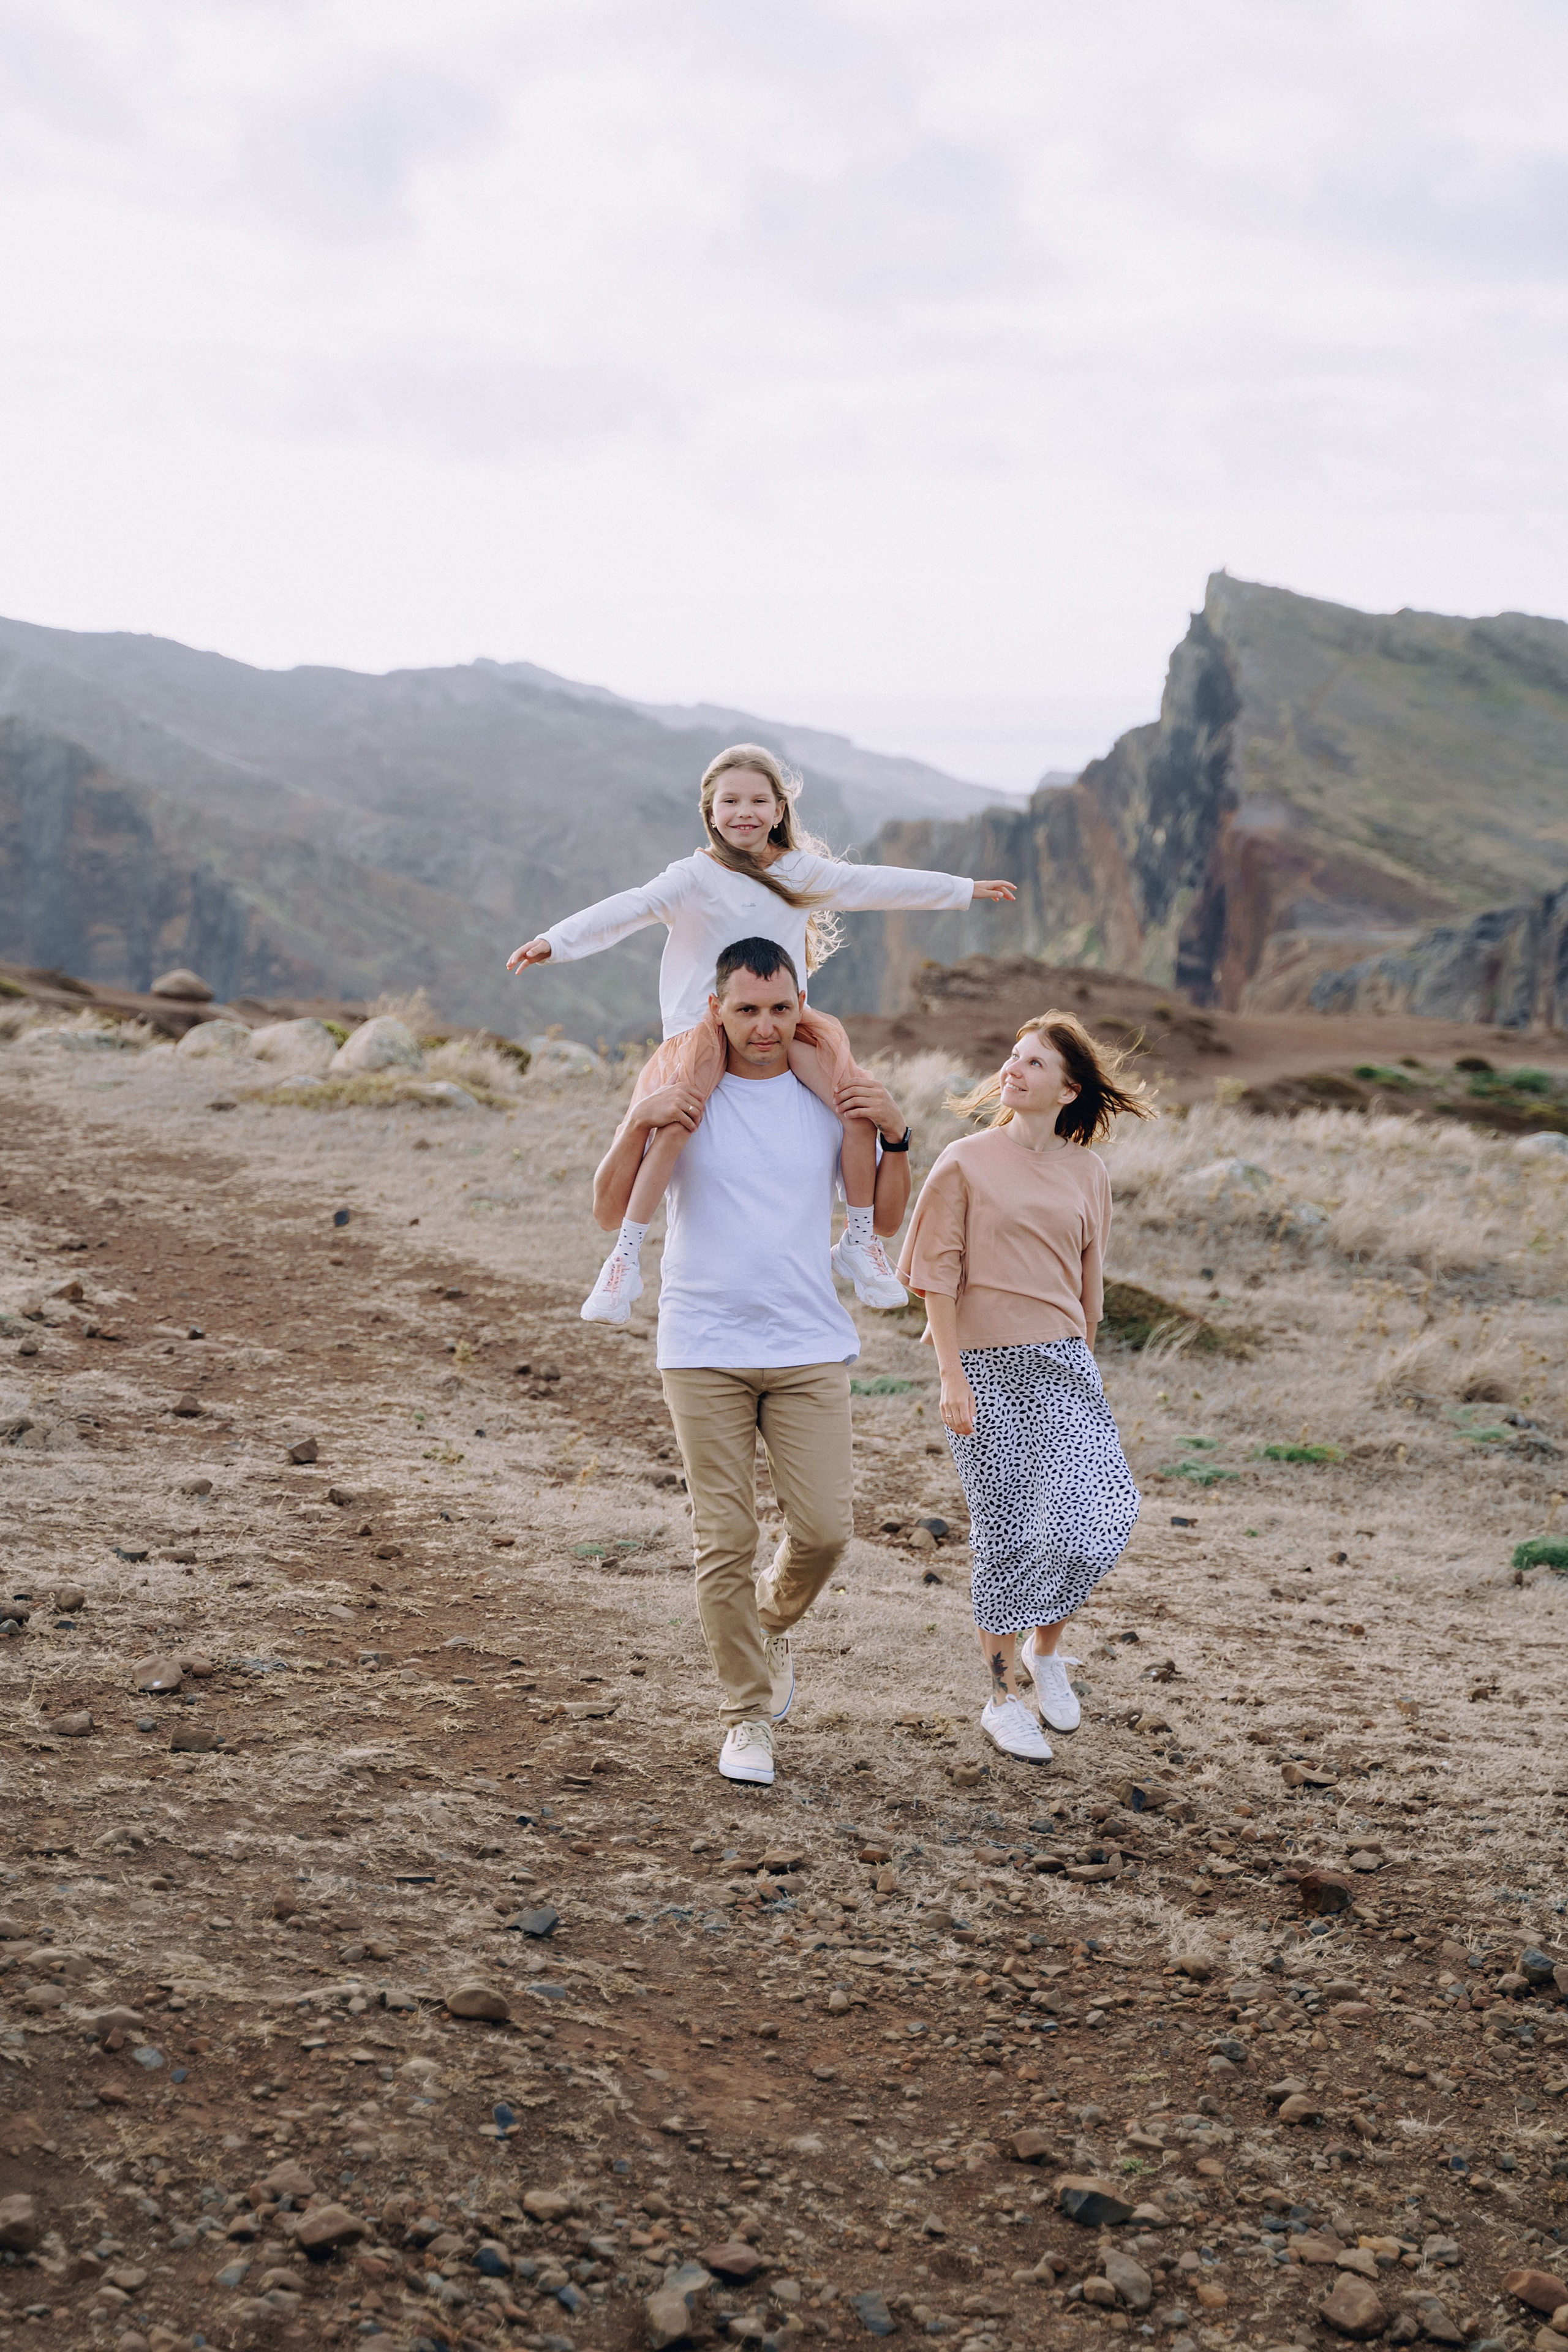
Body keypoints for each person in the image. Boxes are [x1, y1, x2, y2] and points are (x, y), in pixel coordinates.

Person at [507, 741, 1015, 1324]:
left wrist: (962, 888)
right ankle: (623, 1260)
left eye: (757, 800)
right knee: (674, 1124)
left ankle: (859, 1240)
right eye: (730, 801)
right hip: (702, 1029)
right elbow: (631, 906)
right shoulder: (693, 876)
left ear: (778, 810)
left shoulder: (801, 872)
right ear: (710, 811)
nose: (743, 811)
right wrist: (556, 941)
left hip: (783, 1022)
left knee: (853, 1109)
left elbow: (874, 884)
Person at [591, 935, 913, 1787]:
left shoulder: (829, 1095)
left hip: (809, 1344)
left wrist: (899, 1132)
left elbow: (880, 1216)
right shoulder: (682, 1091)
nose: (765, 1027)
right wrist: (635, 1120)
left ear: (799, 1007)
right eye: (747, 1010)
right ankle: (746, 1718)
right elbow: (607, 1208)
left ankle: (766, 1621)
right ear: (717, 1010)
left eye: (781, 1009)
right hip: (702, 1346)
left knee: (825, 1532)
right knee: (724, 1538)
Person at [897, 1012, 1155, 1763]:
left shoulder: (1088, 1172)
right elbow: (935, 1278)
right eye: (1012, 1057)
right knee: (1009, 1533)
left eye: (1033, 1063)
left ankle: (1046, 1656)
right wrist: (951, 1374)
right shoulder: (964, 1161)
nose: (1012, 1069)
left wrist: (1085, 1367)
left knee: (1097, 1515)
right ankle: (1002, 1697)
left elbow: (1089, 1284)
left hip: (1064, 1366)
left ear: (1068, 1089)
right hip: (981, 1369)